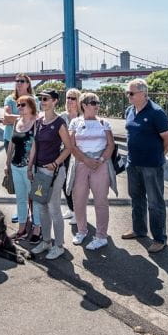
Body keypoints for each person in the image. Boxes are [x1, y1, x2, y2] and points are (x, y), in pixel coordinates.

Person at [121, 78, 168, 253]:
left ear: (143, 93)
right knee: (136, 198)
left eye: (132, 93)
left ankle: (159, 238)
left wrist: (157, 156)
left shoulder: (156, 112)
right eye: (127, 92)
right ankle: (139, 229)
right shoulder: (130, 110)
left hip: (151, 165)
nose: (128, 96)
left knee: (155, 202)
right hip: (133, 163)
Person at [27, 89, 74, 260]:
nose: (42, 101)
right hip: (39, 172)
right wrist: (30, 166)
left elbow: (69, 148)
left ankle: (59, 245)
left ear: (54, 101)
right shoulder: (38, 122)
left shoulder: (60, 122)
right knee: (41, 208)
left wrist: (55, 164)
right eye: (40, 98)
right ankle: (46, 241)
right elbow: (34, 146)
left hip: (53, 172)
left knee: (54, 209)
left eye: (45, 99)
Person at [67, 91, 114, 251]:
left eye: (98, 102)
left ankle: (101, 236)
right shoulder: (75, 123)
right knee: (78, 199)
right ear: (84, 105)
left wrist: (100, 160)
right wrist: (85, 159)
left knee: (101, 200)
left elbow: (110, 145)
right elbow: (71, 145)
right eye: (94, 103)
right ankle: (81, 231)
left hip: (100, 164)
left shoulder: (104, 123)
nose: (97, 106)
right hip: (81, 163)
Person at [5, 94, 39, 240]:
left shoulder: (36, 123)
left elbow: (34, 147)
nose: (19, 107)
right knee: (20, 199)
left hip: (28, 167)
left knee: (35, 198)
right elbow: (12, 143)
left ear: (31, 106)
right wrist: (7, 163)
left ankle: (37, 229)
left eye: (22, 105)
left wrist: (30, 167)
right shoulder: (17, 122)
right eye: (18, 104)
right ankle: (22, 229)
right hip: (15, 166)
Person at [60, 87, 81, 221]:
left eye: (73, 98)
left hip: (78, 155)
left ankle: (78, 213)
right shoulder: (62, 116)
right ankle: (71, 209)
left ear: (78, 101)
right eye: (68, 97)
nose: (69, 100)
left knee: (76, 184)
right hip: (64, 153)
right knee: (64, 182)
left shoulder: (82, 117)